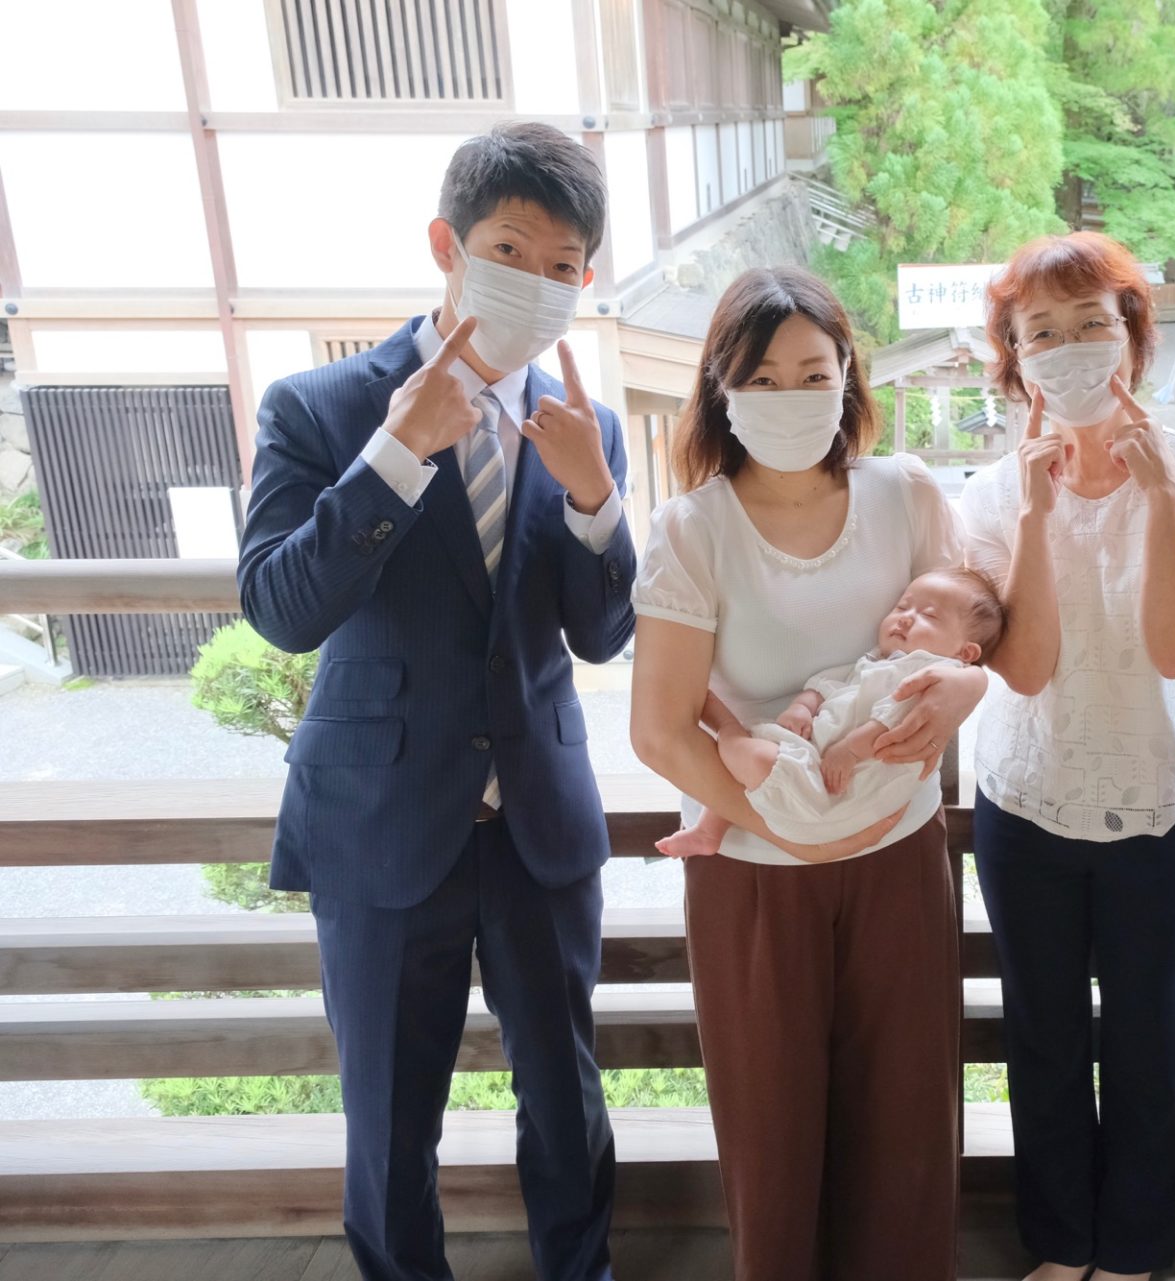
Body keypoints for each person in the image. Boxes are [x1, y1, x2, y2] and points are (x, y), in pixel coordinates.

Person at [237, 123, 635, 1281]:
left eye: (565, 266)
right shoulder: (317, 408)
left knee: (566, 1096)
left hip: (537, 819)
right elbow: (279, 608)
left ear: (585, 282)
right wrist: (399, 452)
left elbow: (603, 633)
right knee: (390, 1111)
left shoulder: (587, 423)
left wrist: (602, 499)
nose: (540, 282)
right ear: (446, 246)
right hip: (380, 817)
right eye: (512, 249)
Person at [627, 266, 988, 1281]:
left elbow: (974, 638)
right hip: (753, 870)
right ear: (722, 389)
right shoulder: (693, 529)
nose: (793, 397)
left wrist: (971, 691)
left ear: (848, 380)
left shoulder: (906, 493)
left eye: (813, 372)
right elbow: (659, 731)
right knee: (772, 1139)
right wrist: (785, 827)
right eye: (765, 377)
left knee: (907, 1128)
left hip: (898, 858)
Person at [957, 231, 1175, 1281]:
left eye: (1093, 324)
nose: (1071, 347)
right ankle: (1057, 1243)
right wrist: (1036, 516)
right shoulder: (989, 496)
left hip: (1160, 808)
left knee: (1146, 1037)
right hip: (1026, 803)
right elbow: (1024, 669)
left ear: (1132, 339)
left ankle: (1132, 1250)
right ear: (1015, 360)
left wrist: (1161, 499)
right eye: (1044, 332)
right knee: (1039, 1035)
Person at [656, 566, 1005, 854]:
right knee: (748, 766)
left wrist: (850, 750)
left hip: (845, 786)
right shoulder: (876, 659)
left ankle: (724, 726)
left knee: (747, 754)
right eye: (902, 607)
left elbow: (898, 721)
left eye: (929, 616)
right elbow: (827, 683)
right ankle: (709, 830)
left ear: (966, 653)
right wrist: (803, 707)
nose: (906, 619)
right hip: (814, 758)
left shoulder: (930, 672)